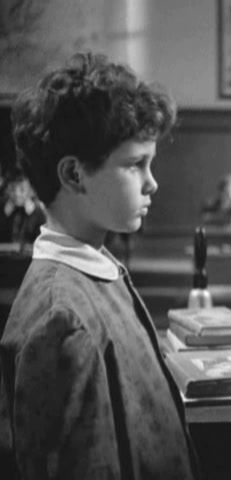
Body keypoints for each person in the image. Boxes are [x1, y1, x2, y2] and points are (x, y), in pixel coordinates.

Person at [0, 52, 199, 479]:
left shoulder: (97, 269)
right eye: (135, 164)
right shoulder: (61, 319)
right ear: (74, 175)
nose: (152, 182)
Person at [0, 174, 45, 245]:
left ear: (31, 191)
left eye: (22, 190)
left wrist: (31, 214)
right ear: (7, 190)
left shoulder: (38, 213)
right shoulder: (3, 207)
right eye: (12, 189)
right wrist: (4, 215)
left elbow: (39, 239)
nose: (17, 194)